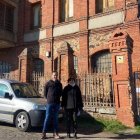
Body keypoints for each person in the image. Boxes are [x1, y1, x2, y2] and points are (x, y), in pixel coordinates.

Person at [42, 71, 62, 139]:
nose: (55, 76)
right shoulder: (48, 83)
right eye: (54, 75)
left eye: (56, 75)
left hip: (57, 103)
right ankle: (44, 133)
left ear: (57, 76)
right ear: (51, 75)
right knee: (47, 118)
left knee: (56, 118)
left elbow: (60, 93)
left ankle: (55, 133)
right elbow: (45, 93)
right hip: (49, 103)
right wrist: (49, 99)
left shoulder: (59, 84)